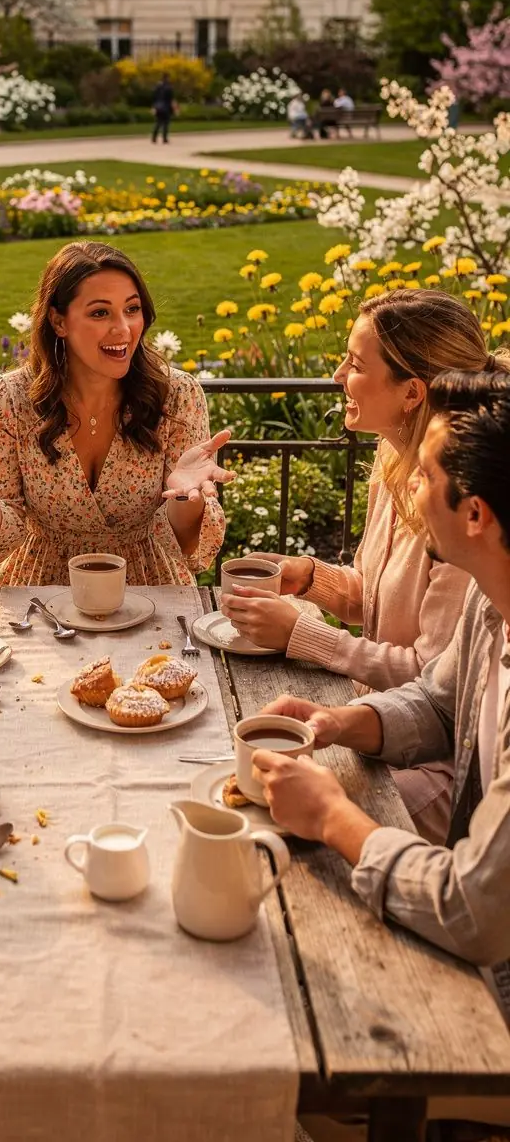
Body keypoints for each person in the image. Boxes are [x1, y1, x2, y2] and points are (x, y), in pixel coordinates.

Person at [252, 369, 510, 1061]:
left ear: (477, 512)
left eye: (424, 478)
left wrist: (332, 817)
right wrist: (342, 721)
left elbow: (475, 912)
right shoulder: (495, 602)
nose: (412, 494)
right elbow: (437, 700)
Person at [222, 289, 510, 842]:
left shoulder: (462, 514)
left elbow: (430, 671)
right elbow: (398, 627)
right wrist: (310, 579)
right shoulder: (396, 461)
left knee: (269, 818)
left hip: (440, 775)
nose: (336, 376)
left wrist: (303, 637)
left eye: (354, 364)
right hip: (388, 727)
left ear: (411, 393)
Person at [0, 241, 229, 586]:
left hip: (147, 587)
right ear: (59, 322)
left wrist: (185, 496)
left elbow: (181, 544)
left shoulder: (177, 395)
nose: (123, 329)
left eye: (132, 309)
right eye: (100, 313)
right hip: (37, 591)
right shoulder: (8, 399)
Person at [151, 73, 175, 144]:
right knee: (166, 123)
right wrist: (173, 108)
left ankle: (154, 137)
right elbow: (171, 99)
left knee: (158, 122)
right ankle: (164, 138)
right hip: (166, 107)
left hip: (158, 106)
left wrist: (154, 106)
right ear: (167, 78)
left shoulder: (158, 87)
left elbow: (154, 97)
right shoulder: (169, 87)